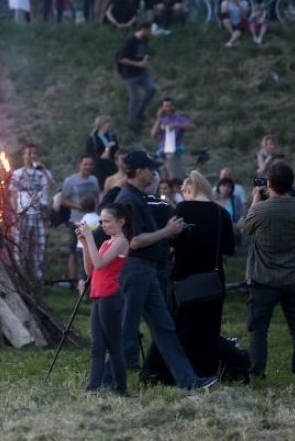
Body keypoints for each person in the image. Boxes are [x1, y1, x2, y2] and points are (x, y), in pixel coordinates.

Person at [114, 151, 217, 390]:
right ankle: (106, 381)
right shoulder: (128, 198)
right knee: (126, 329)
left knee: (165, 328)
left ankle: (188, 381)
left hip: (148, 272)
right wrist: (167, 232)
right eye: (150, 168)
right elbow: (135, 241)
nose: (154, 173)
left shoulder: (139, 196)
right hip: (135, 269)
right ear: (139, 171)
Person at [141, 171, 235, 384]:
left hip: (183, 277)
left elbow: (171, 241)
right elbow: (229, 247)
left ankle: (161, 371)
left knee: (176, 326)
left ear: (190, 189)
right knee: (209, 329)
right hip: (213, 278)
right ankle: (205, 371)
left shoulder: (182, 209)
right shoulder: (221, 214)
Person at [239, 162, 295, 378]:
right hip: (292, 278)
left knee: (259, 330)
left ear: (269, 184)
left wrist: (255, 200)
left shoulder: (261, 210)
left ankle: (256, 372)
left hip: (263, 279)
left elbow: (243, 226)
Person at [77, 203, 130, 395]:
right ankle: (93, 387)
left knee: (113, 345)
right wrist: (84, 244)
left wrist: (90, 237)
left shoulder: (121, 242)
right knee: (97, 345)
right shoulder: (108, 242)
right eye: (101, 221)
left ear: (121, 222)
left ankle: (121, 388)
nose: (103, 225)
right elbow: (90, 269)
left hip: (111, 296)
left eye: (107, 221)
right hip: (99, 295)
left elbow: (100, 264)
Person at [9, 145, 55, 279]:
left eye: (34, 153)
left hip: (39, 214)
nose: (31, 156)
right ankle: (20, 277)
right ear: (23, 156)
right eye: (28, 153)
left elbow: (52, 188)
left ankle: (37, 278)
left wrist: (45, 170)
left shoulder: (42, 173)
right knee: (20, 247)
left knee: (39, 247)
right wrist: (15, 215)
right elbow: (13, 194)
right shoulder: (17, 173)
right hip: (23, 213)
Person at [61, 156, 101, 285]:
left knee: (93, 249)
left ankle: (90, 280)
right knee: (74, 251)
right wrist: (79, 206)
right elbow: (64, 200)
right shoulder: (70, 181)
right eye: (85, 164)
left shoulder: (94, 180)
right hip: (76, 221)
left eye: (90, 165)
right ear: (80, 164)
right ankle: (73, 281)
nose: (88, 167)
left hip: (93, 222)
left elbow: (97, 196)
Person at [116, 22, 157, 134]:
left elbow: (142, 53)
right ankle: (132, 124)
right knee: (134, 99)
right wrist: (138, 64)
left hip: (141, 72)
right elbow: (122, 59)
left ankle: (141, 112)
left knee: (152, 89)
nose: (150, 33)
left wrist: (145, 60)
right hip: (130, 74)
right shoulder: (130, 41)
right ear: (143, 29)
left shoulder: (144, 39)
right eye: (149, 30)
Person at [150, 98, 195, 181]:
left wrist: (177, 125)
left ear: (173, 107)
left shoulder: (179, 119)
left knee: (174, 179)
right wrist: (159, 118)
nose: (168, 108)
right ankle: (164, 194)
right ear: (162, 108)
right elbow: (153, 134)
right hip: (162, 153)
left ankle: (178, 193)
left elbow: (192, 127)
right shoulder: (161, 120)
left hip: (174, 153)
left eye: (170, 106)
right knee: (164, 181)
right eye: (166, 106)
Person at [85, 115, 119, 189]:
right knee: (100, 186)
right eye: (107, 123)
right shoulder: (93, 138)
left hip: (111, 164)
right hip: (99, 166)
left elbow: (117, 150)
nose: (109, 125)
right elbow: (89, 153)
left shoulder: (111, 136)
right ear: (101, 125)